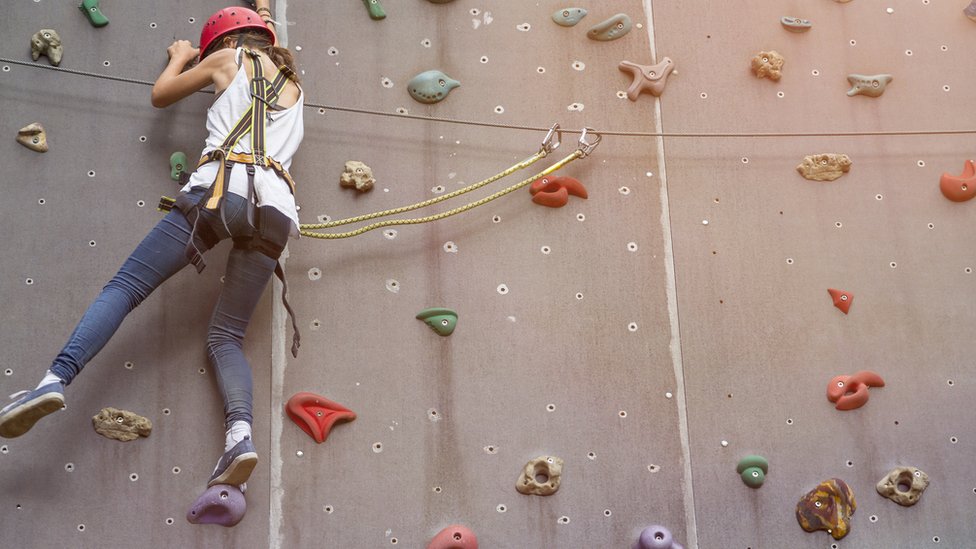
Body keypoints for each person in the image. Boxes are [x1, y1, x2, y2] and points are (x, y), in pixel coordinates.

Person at [0, 4, 304, 490]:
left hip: (219, 191)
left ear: (225, 42)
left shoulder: (227, 60)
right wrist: (265, 9)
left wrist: (182, 57)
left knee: (125, 287)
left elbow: (162, 96)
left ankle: (52, 382)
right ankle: (239, 438)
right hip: (276, 213)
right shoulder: (293, 83)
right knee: (226, 337)